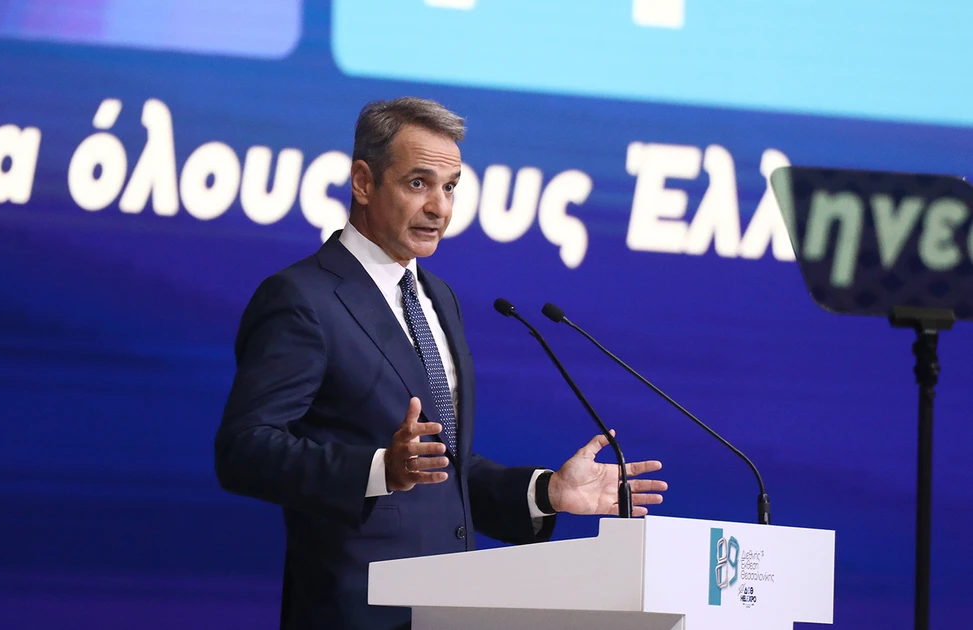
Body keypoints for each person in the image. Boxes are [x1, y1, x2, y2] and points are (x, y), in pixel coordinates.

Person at [215, 97, 667, 630]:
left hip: (449, 608)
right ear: (363, 182)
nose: (439, 208)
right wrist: (380, 469)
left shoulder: (439, 298)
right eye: (418, 183)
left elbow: (443, 467)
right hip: (357, 610)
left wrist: (546, 492)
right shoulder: (302, 298)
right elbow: (244, 450)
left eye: (450, 187)